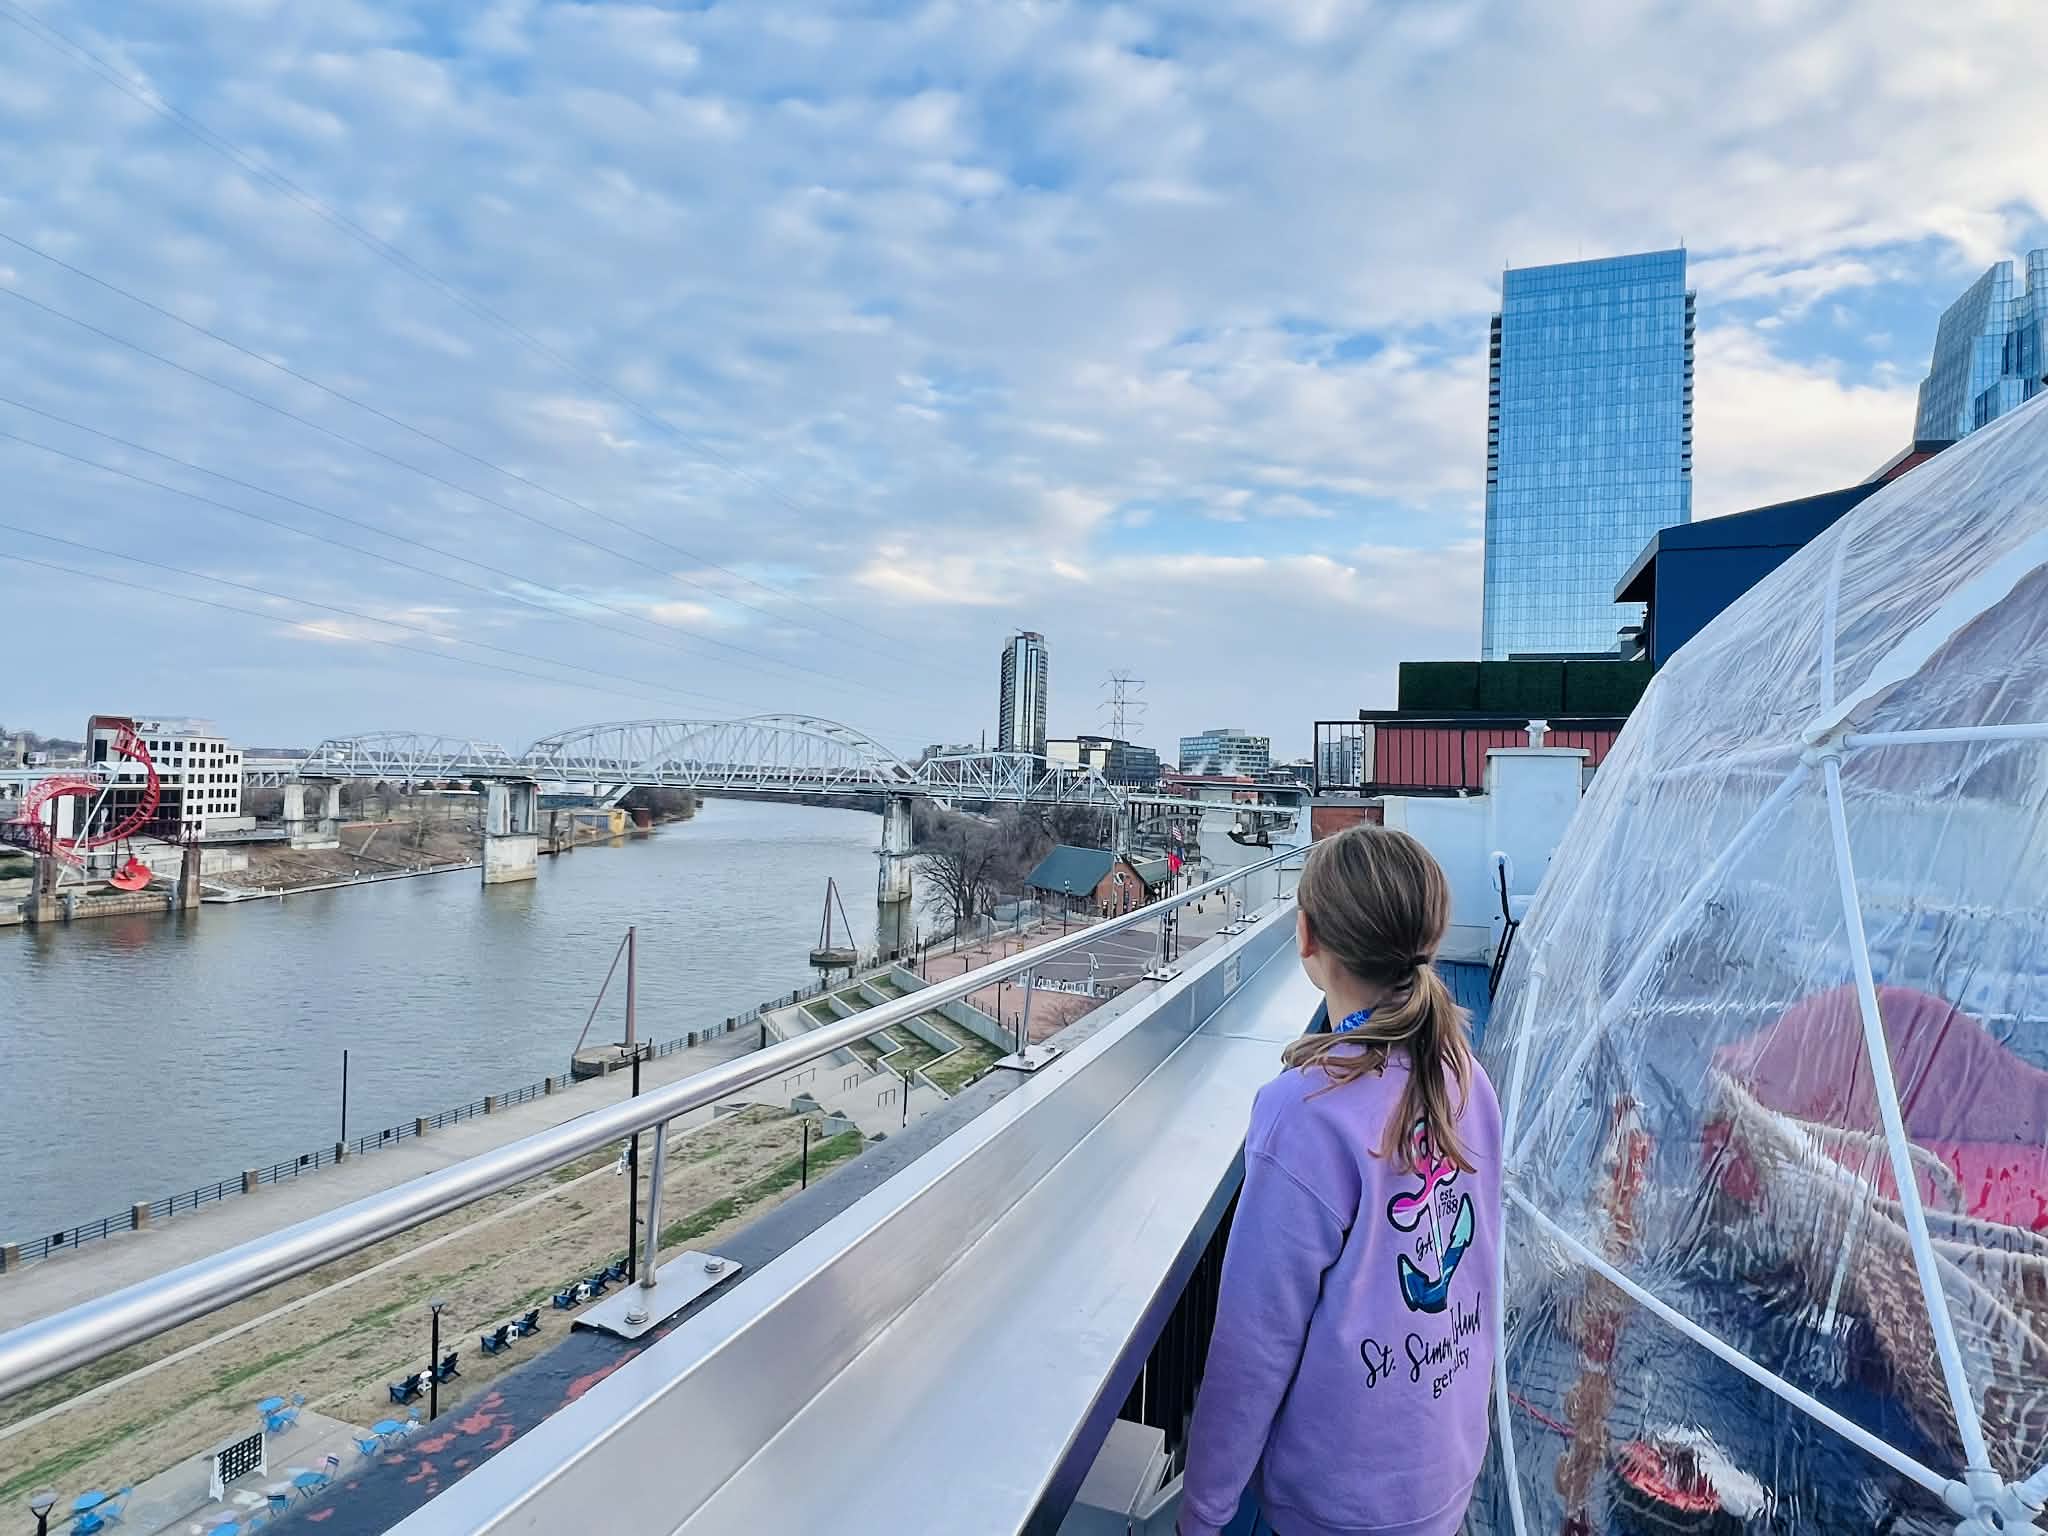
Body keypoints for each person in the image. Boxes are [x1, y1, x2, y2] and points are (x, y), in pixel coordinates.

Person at [1178, 823, 1502, 1536]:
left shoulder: (1304, 1113)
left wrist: (1201, 1513)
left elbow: (1254, 1345)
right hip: (1442, 1468)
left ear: (1307, 937)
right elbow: (1482, 1264)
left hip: (1339, 1502)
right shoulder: (1463, 1076)